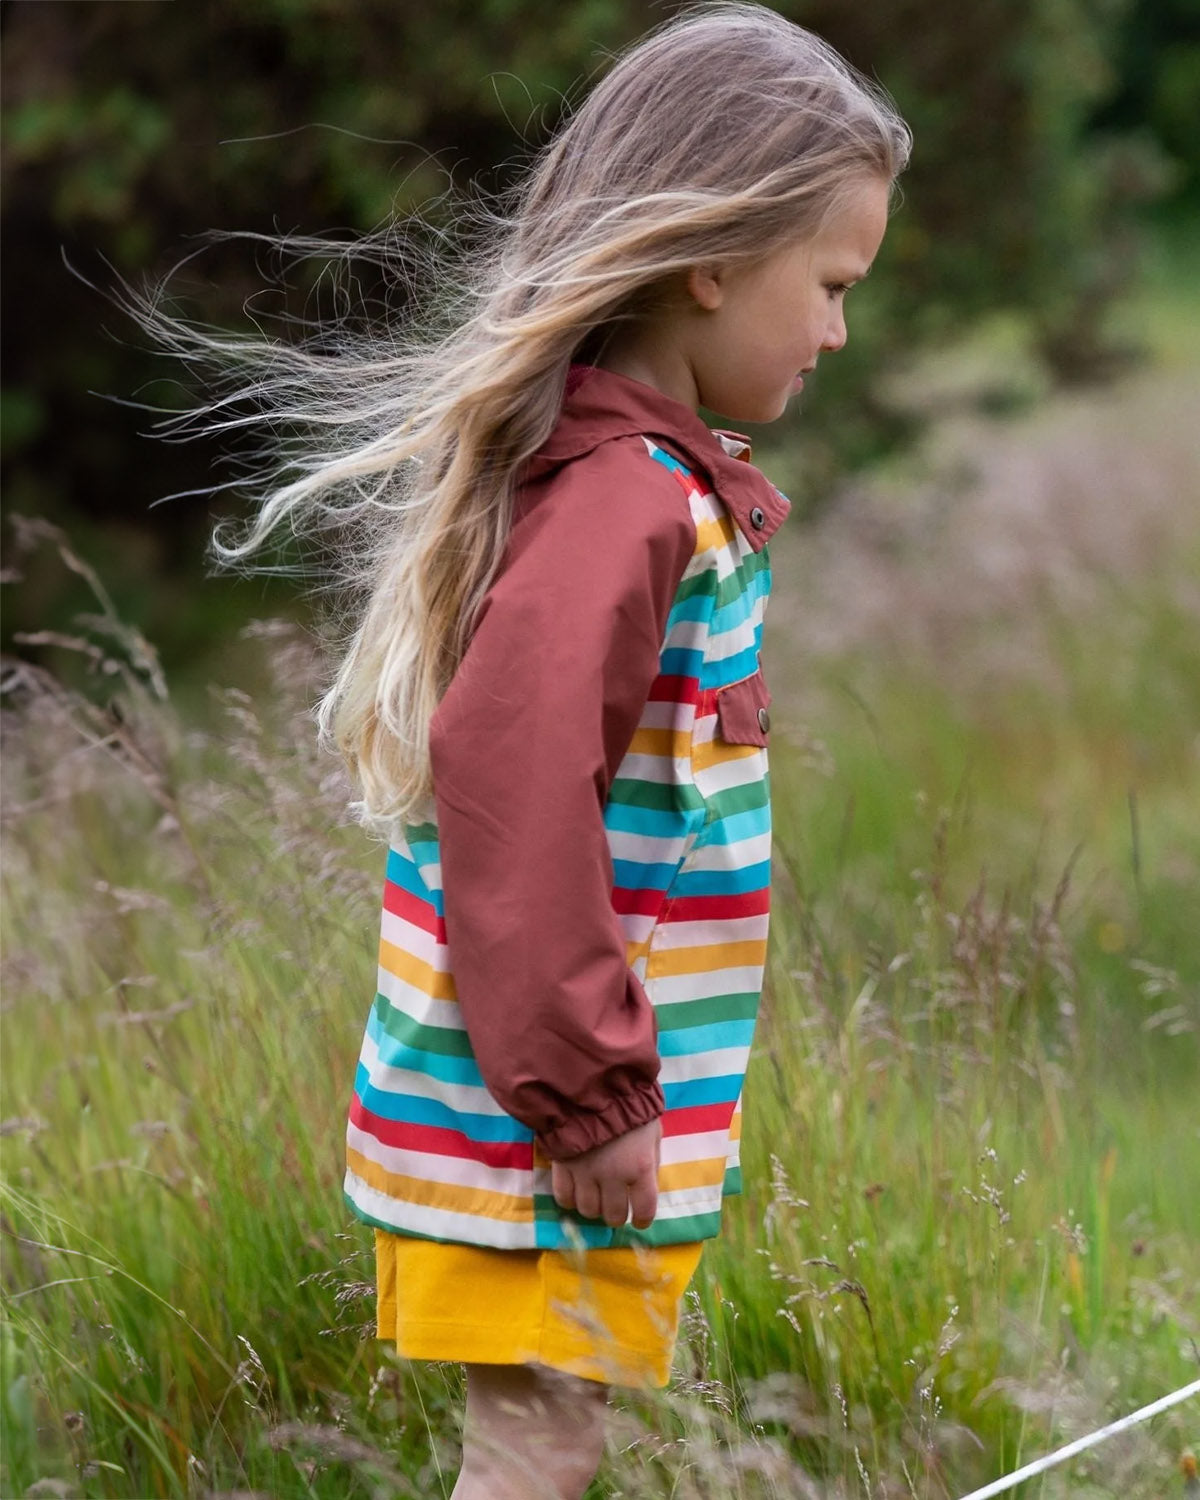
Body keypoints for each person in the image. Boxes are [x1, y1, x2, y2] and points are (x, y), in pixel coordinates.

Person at [125, 5, 909, 1495]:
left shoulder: (657, 488)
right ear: (711, 262)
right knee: (537, 1446)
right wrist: (594, 1094)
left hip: (541, 1116)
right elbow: (506, 773)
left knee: (553, 1438)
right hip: (534, 1125)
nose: (836, 331)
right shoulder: (628, 501)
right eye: (828, 285)